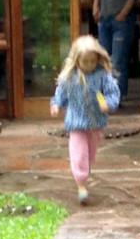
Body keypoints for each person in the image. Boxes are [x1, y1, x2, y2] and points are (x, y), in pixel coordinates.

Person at [51, 35, 120, 206]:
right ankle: (81, 184)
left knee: (89, 154)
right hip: (76, 123)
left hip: (96, 123)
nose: (89, 65)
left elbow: (113, 93)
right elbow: (61, 93)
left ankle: (83, 175)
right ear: (76, 60)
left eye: (92, 61)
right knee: (79, 153)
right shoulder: (70, 77)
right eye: (85, 61)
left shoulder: (102, 75)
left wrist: (108, 104)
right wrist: (56, 105)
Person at [92, 0, 138, 106]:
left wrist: (123, 14)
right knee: (104, 59)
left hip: (121, 22)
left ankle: (117, 96)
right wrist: (95, 7)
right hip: (104, 20)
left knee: (118, 60)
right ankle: (105, 95)